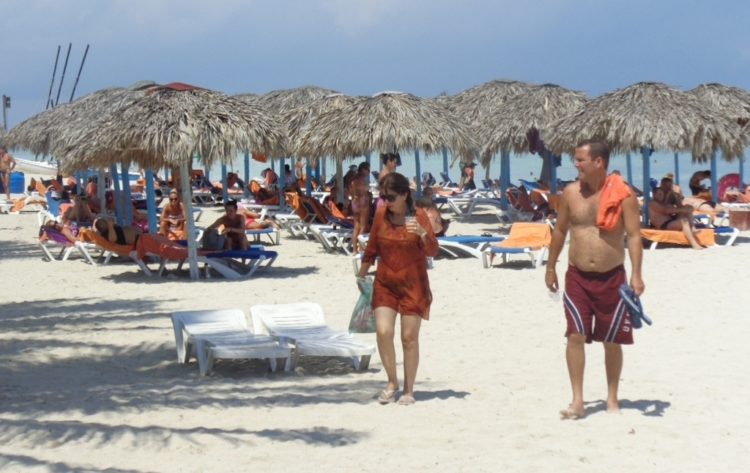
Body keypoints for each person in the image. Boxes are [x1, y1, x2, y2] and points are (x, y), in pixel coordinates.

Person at [545, 139, 644, 420]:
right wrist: (550, 267)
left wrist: (636, 273)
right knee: (575, 335)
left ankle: (612, 398)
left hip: (613, 277)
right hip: (577, 276)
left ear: (598, 162)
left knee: (611, 340)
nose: (575, 164)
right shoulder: (570, 193)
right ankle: (577, 401)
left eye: (580, 160)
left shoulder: (623, 195)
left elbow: (634, 236)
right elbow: (560, 231)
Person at [356, 172, 439, 406]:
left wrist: (422, 234)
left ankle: (408, 390)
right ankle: (392, 381)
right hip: (385, 283)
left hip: (414, 285)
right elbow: (372, 248)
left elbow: (433, 251)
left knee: (408, 338)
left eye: (391, 197)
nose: (386, 202)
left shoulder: (419, 217)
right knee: (383, 332)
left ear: (404, 195)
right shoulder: (381, 215)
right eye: (383, 197)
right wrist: (361, 274)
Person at [649, 177, 705, 250]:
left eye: (661, 194)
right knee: (684, 221)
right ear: (654, 195)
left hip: (670, 221)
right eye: (659, 194)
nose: (661, 196)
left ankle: (693, 228)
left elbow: (677, 206)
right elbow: (665, 210)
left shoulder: (662, 201)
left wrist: (677, 197)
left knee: (686, 210)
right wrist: (683, 210)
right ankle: (694, 244)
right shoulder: (652, 203)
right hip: (663, 225)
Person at [349, 162, 373, 252]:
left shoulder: (353, 179)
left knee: (356, 227)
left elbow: (351, 192)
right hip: (362, 203)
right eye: (368, 169)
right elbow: (364, 192)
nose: (369, 172)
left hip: (354, 203)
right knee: (363, 226)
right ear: (363, 169)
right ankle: (361, 248)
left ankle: (354, 250)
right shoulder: (361, 180)